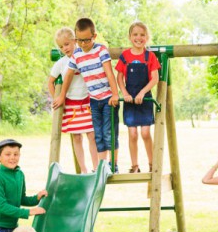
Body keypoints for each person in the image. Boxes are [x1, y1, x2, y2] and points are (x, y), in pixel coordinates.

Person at [52, 18, 121, 172]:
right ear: (76, 39)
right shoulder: (77, 56)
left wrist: (115, 94)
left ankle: (113, 165)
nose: (83, 44)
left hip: (108, 98)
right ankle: (102, 167)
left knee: (109, 133)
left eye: (87, 40)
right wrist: (62, 95)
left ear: (94, 37)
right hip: (94, 101)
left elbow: (110, 73)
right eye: (80, 40)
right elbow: (68, 76)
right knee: (98, 136)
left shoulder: (101, 50)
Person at [48, 27, 99, 174]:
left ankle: (96, 166)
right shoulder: (61, 63)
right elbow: (50, 82)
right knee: (76, 137)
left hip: (87, 102)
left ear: (75, 41)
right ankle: (83, 169)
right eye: (61, 46)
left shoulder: (84, 57)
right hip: (71, 104)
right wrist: (57, 99)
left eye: (67, 44)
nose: (65, 48)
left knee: (92, 135)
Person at [116, 21, 160, 173]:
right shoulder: (125, 56)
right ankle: (135, 166)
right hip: (130, 101)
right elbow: (119, 77)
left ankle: (152, 163)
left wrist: (142, 93)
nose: (138, 38)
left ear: (147, 37)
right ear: (130, 37)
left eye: (142, 35)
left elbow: (154, 78)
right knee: (133, 134)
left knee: (145, 133)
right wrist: (125, 93)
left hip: (145, 99)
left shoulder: (150, 56)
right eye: (135, 34)